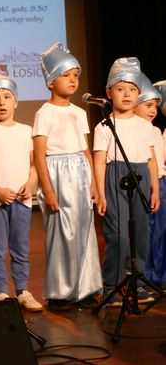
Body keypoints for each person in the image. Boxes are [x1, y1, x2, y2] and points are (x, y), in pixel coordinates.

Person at [32, 43, 102, 311]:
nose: (73, 80)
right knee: (61, 235)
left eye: (76, 75)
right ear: (51, 82)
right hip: (57, 173)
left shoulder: (79, 113)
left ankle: (85, 288)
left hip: (80, 173)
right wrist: (48, 189)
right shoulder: (44, 113)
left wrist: (93, 182)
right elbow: (39, 155)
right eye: (66, 75)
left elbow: (85, 149)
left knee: (84, 233)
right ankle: (60, 292)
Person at [0, 69, 42, 312]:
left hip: (22, 199)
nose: (2, 102)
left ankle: (22, 290)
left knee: (21, 247)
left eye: (6, 96)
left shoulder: (26, 130)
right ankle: (1, 291)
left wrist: (31, 183)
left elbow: (34, 164)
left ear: (16, 101)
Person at [94, 59, 160, 305]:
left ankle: (137, 282)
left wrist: (155, 190)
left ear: (139, 93)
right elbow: (99, 162)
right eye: (120, 89)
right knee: (119, 234)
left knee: (140, 233)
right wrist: (100, 193)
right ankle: (112, 284)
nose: (127, 94)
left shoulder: (145, 126)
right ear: (109, 92)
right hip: (115, 175)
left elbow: (151, 160)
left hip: (140, 175)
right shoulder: (104, 126)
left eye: (132, 89)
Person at [145, 80, 166, 290]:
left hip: (161, 182)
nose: (153, 111)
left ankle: (159, 274)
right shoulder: (139, 130)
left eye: (155, 107)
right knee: (148, 230)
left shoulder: (156, 131)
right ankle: (147, 274)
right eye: (148, 105)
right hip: (148, 184)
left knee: (160, 230)